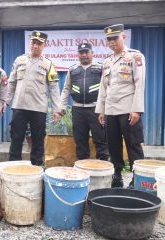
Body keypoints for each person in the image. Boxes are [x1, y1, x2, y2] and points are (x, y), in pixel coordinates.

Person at [95, 24, 145, 188]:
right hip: (110, 110)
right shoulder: (107, 61)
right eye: (108, 40)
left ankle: (137, 177)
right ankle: (117, 175)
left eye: (114, 38)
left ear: (123, 37)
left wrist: (136, 109)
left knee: (133, 145)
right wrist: (101, 110)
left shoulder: (135, 57)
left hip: (128, 110)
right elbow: (103, 87)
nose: (111, 42)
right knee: (113, 145)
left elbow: (139, 83)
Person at [4, 30, 60, 166]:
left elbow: (54, 87)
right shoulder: (19, 60)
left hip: (38, 108)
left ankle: (37, 167)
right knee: (16, 138)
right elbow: (12, 82)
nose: (35, 46)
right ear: (30, 43)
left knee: (38, 139)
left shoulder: (49, 64)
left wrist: (56, 109)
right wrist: (5, 101)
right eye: (33, 42)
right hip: (19, 106)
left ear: (44, 45)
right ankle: (13, 167)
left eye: (39, 44)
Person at [59, 43, 109, 161]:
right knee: (80, 141)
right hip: (78, 110)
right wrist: (62, 105)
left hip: (96, 109)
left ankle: (103, 170)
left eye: (87, 52)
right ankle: (83, 169)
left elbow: (107, 87)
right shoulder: (72, 70)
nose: (84, 55)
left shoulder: (100, 68)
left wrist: (105, 108)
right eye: (81, 53)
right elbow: (66, 88)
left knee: (101, 140)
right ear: (78, 55)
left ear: (92, 54)